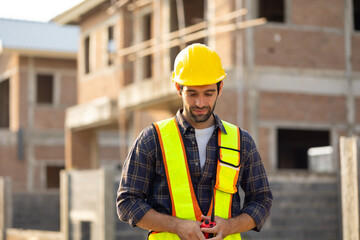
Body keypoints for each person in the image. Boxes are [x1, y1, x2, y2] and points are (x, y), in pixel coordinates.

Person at [116, 43, 273, 240]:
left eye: (208, 93)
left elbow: (262, 200)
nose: (200, 103)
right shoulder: (152, 140)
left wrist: (230, 226)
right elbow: (127, 203)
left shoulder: (242, 142)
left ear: (220, 88)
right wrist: (176, 225)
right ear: (178, 88)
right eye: (192, 94)